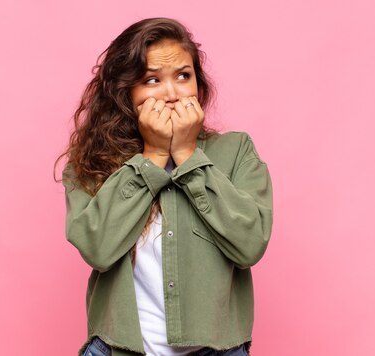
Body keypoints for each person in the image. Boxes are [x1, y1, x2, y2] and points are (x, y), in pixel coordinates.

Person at [58, 18, 273, 356]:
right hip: (118, 349)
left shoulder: (236, 152)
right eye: (152, 80)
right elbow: (96, 247)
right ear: (126, 91)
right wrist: (154, 155)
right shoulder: (89, 163)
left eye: (183, 76)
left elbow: (249, 245)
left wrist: (187, 155)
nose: (172, 94)